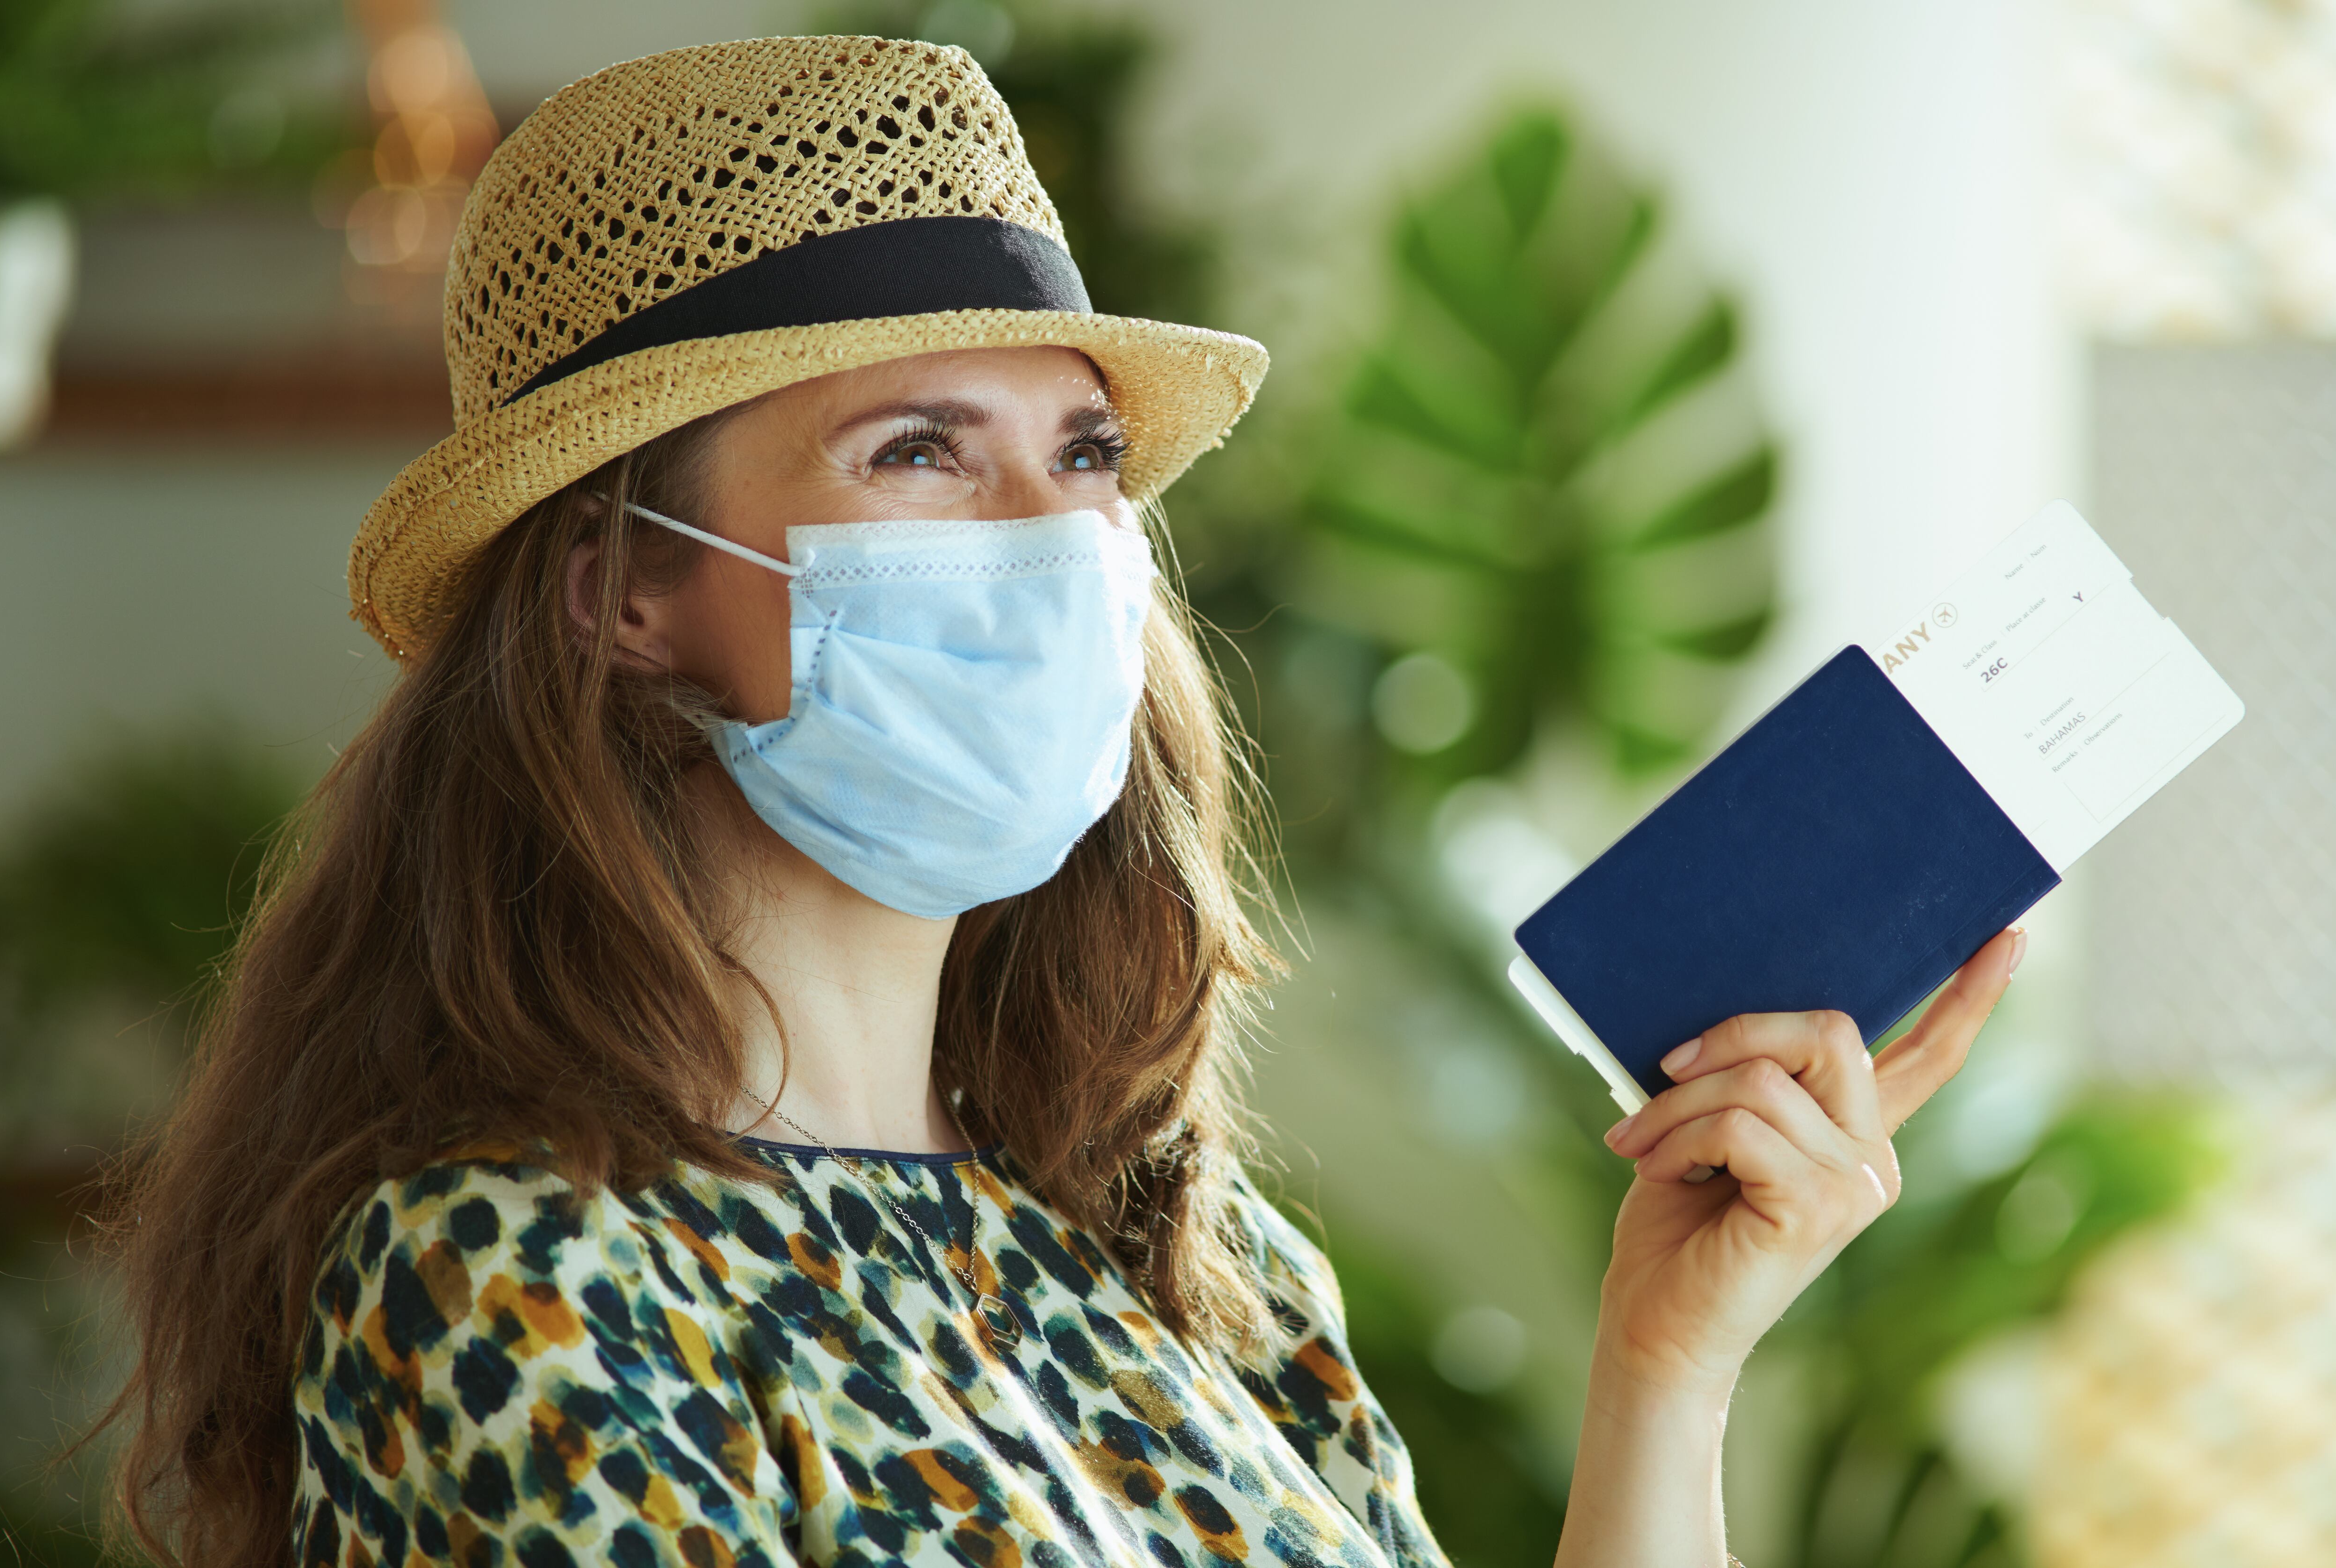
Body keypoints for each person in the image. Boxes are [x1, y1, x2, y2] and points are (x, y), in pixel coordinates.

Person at [102, 35, 2021, 1568]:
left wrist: (1665, 1374)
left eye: (1086, 452)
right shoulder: (515, 1279)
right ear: (623, 593)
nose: (1054, 536)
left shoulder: (1197, 1267)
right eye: (917, 452)